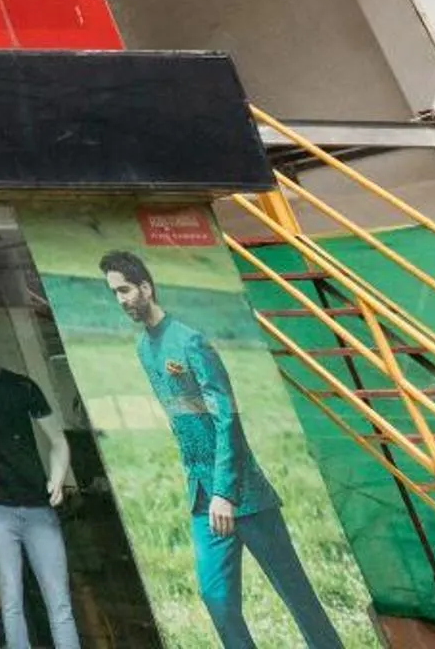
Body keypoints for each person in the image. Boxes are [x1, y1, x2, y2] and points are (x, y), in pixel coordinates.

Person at [100, 249, 342, 649]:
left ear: (145, 287)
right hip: (201, 496)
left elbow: (227, 419)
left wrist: (225, 493)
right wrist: (208, 492)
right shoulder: (145, 350)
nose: (122, 299)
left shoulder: (191, 341)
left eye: (125, 289)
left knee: (297, 596)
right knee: (216, 597)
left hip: (243, 495)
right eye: (114, 294)